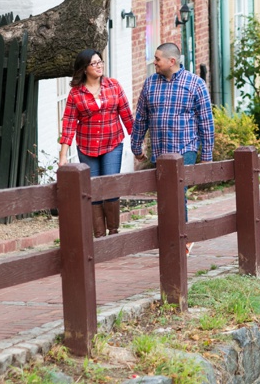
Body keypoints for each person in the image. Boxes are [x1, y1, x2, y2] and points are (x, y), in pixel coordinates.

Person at [132, 43, 215, 242]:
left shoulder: (195, 84)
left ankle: (180, 240)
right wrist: (136, 147)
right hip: (160, 151)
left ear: (172, 61)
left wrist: (206, 155)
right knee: (164, 196)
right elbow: (141, 117)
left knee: (177, 193)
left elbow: (206, 121)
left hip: (185, 148)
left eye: (158, 58)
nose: (154, 62)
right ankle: (170, 236)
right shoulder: (150, 83)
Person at [59, 49, 134, 237]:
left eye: (100, 62)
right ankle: (99, 235)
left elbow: (126, 115)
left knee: (110, 185)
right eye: (94, 63)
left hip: (112, 143)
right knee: (92, 189)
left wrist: (137, 143)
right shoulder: (76, 94)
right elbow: (68, 124)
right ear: (84, 69)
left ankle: (114, 232)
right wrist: (63, 157)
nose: (99, 66)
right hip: (87, 147)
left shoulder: (113, 86)